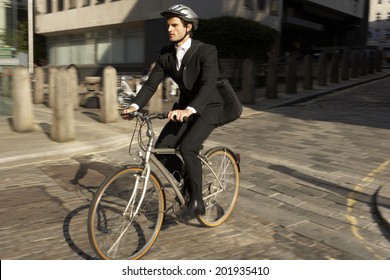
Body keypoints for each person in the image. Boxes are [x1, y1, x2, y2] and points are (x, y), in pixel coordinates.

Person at [121, 4, 226, 221]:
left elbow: (208, 85)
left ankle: (197, 201)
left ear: (188, 27)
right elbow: (151, 85)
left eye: (174, 25)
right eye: (168, 25)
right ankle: (188, 184)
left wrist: (190, 109)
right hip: (185, 108)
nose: (169, 29)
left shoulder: (207, 51)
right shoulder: (166, 55)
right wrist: (134, 106)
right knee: (160, 149)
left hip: (209, 106)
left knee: (188, 148)